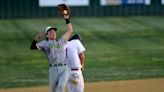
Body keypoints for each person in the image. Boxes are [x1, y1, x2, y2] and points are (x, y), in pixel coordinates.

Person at [30, 14, 73, 92]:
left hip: (64, 69)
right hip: (53, 70)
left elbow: (70, 31)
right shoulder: (45, 43)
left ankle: (70, 77)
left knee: (61, 87)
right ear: (46, 35)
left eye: (54, 31)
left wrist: (67, 19)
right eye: (50, 32)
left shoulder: (61, 41)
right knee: (53, 90)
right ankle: (71, 78)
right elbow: (32, 47)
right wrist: (36, 39)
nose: (53, 33)